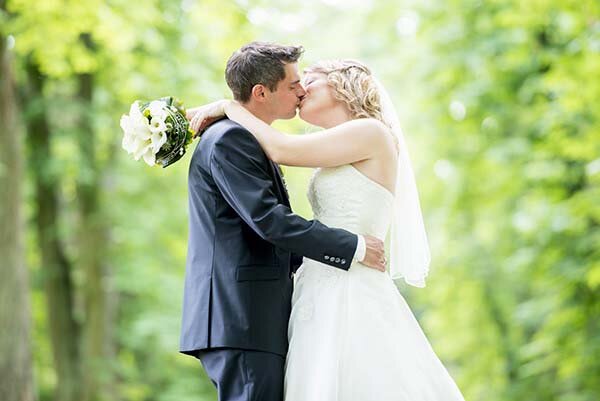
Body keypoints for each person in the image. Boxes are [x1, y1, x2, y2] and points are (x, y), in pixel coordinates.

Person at [190, 57, 467, 400]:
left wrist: (229, 107)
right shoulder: (341, 141)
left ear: (341, 85)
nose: (302, 88)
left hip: (351, 287)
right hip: (317, 287)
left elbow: (281, 148)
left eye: (310, 79)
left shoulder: (371, 131)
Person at [180, 42, 387, 401]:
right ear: (261, 92)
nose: (301, 90)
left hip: (269, 313)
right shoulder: (231, 139)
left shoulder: (248, 138)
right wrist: (352, 247)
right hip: (242, 317)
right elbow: (270, 221)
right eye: (294, 84)